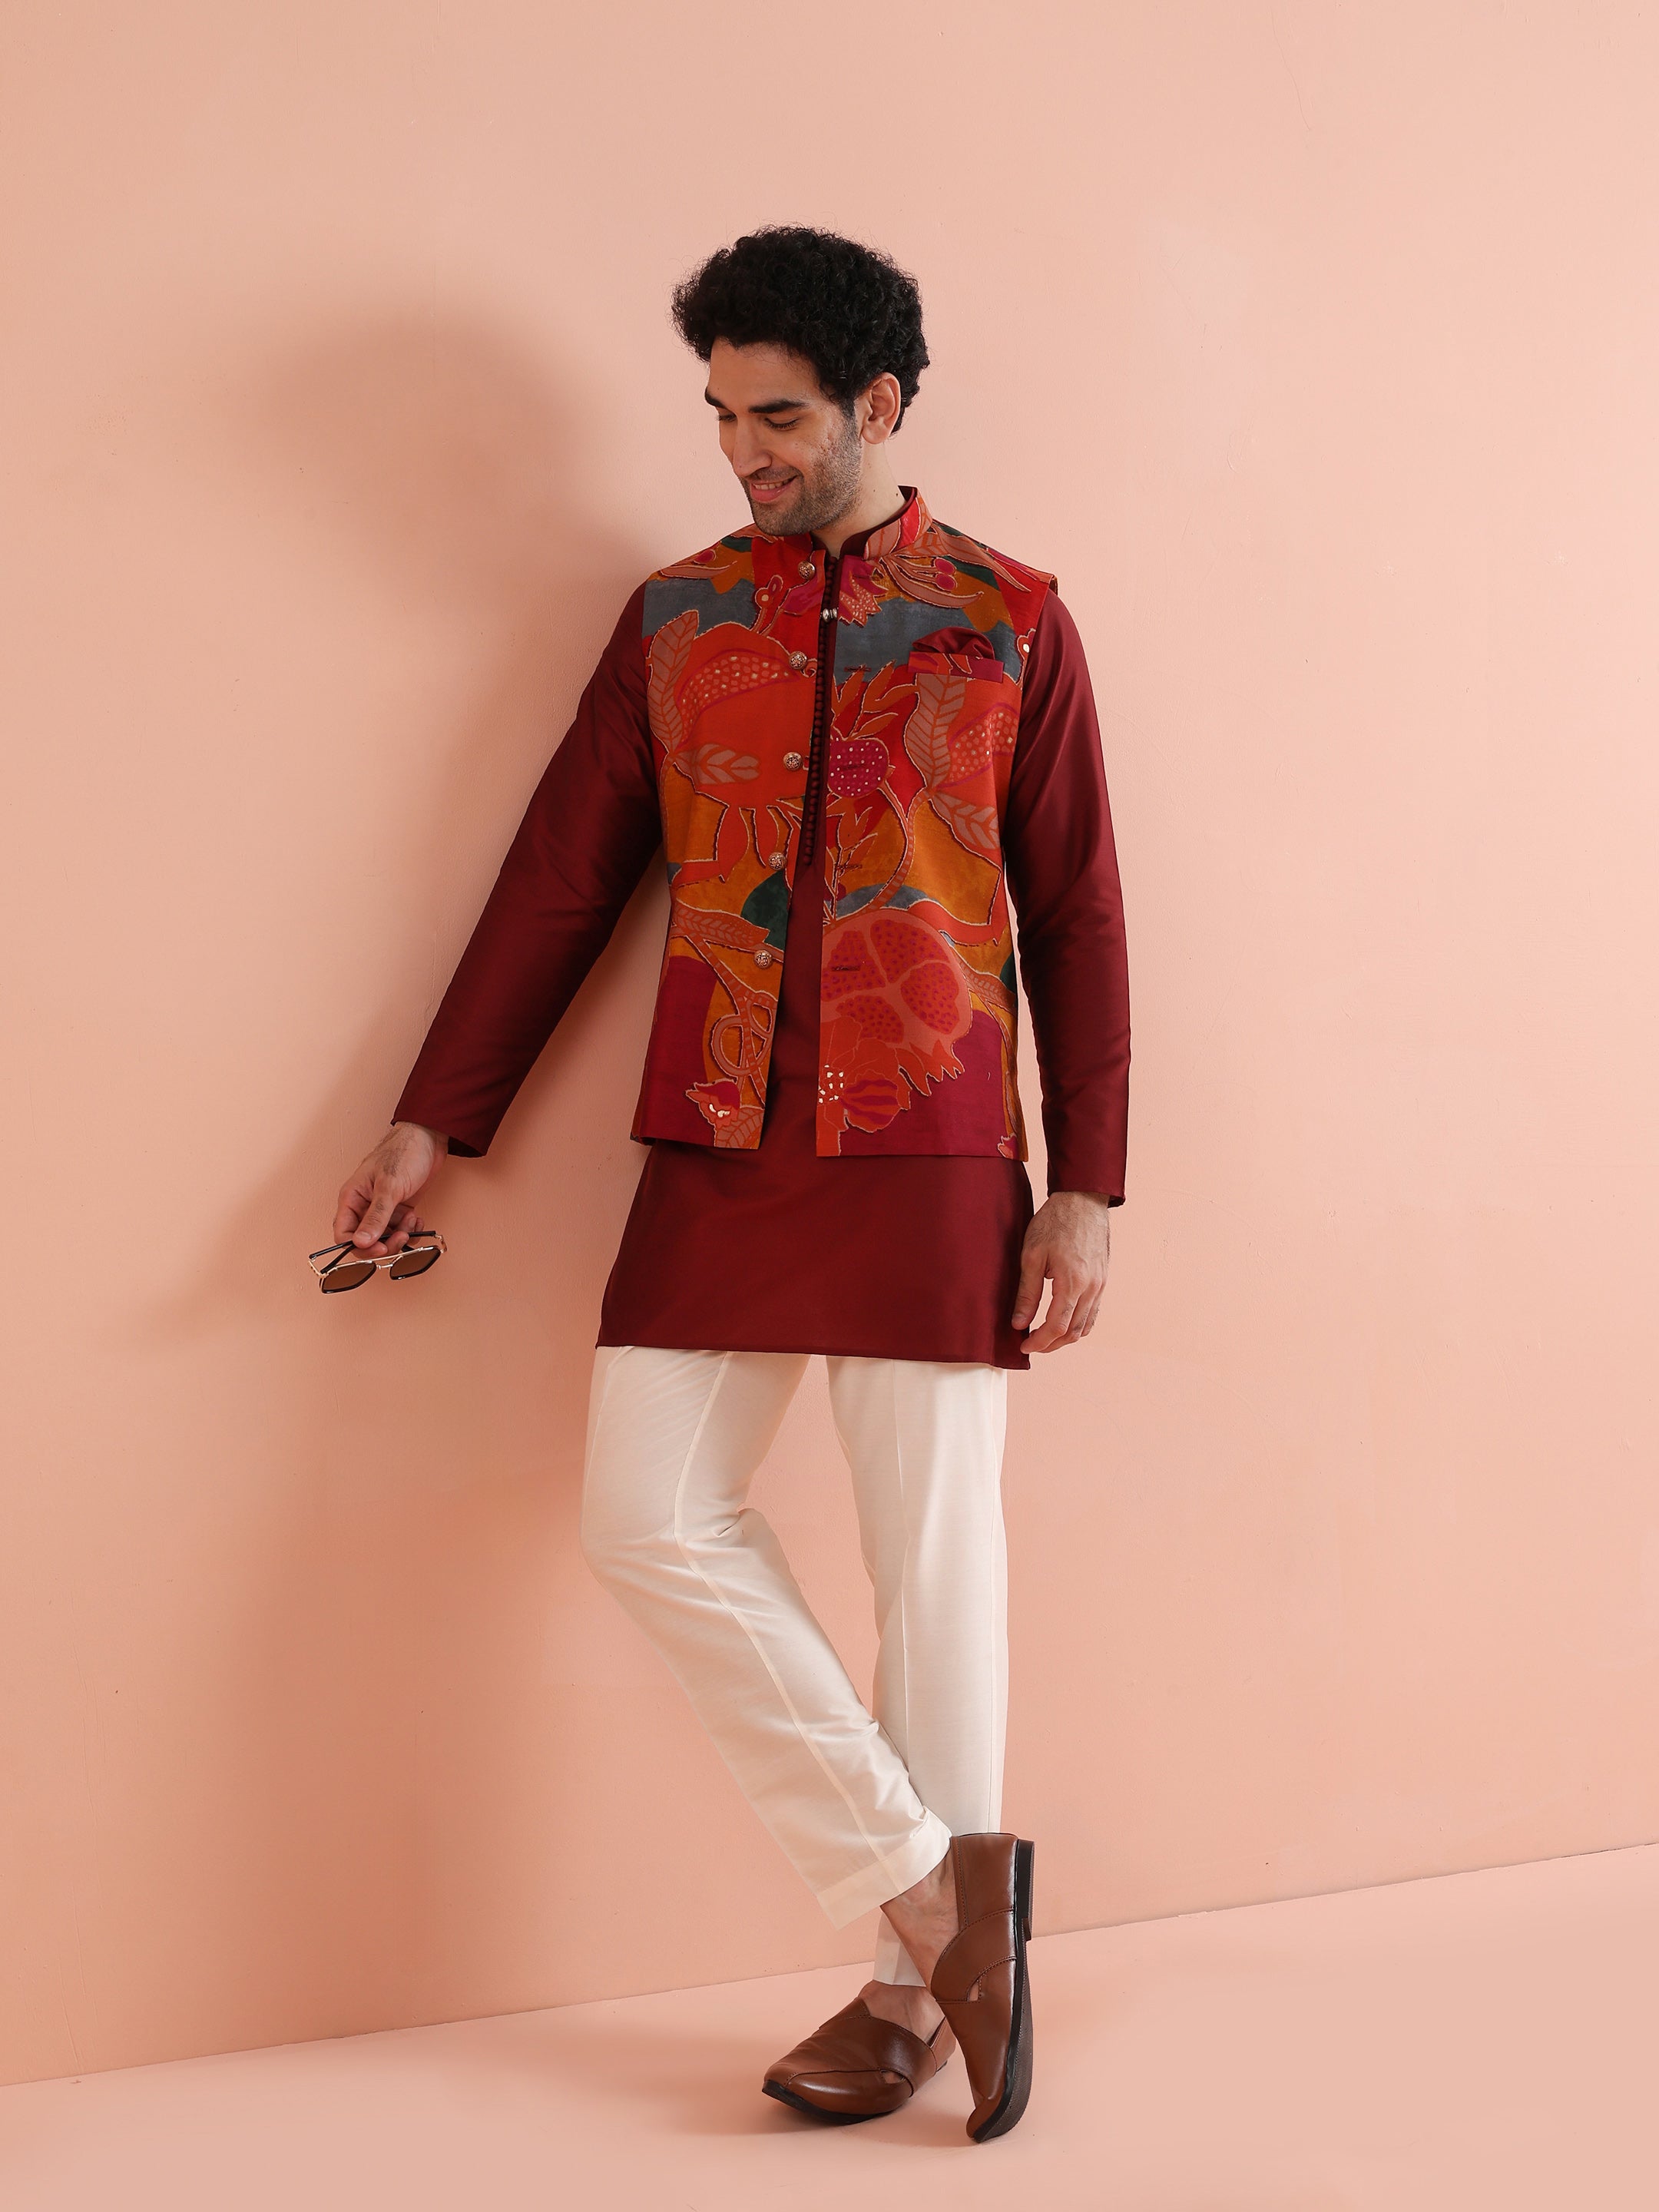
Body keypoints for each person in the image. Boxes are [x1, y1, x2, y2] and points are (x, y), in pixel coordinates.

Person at [330, 226, 1130, 2142]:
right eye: (718, 415)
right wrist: (436, 1117)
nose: (740, 451)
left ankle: (906, 1994)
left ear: (878, 404)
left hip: (934, 1136)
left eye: (774, 417)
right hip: (717, 1132)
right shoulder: (678, 619)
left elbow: (1079, 910)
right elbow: (559, 879)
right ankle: (937, 1900)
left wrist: (1088, 1181)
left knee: (936, 1569)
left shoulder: (1014, 620)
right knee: (646, 1518)